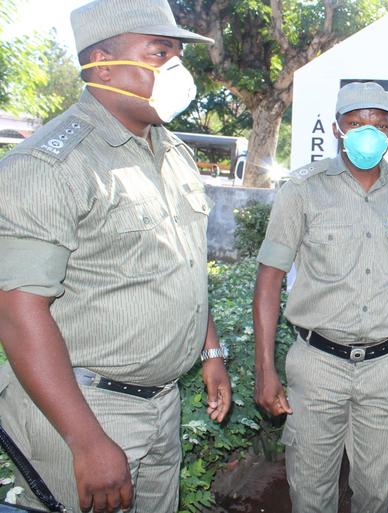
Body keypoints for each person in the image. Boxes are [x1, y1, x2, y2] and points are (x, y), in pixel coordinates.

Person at [0, 1, 232, 511]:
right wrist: (86, 441)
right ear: (101, 63)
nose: (176, 68)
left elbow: (184, 265)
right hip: (89, 409)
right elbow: (18, 313)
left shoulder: (173, 152)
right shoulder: (51, 164)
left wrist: (210, 351)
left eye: (177, 54)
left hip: (161, 404)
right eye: (160, 52)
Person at [252, 82, 388, 513]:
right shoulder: (303, 189)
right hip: (318, 365)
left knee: (379, 489)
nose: (367, 133)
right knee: (311, 493)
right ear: (337, 129)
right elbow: (269, 276)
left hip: (385, 366)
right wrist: (265, 367)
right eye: (355, 124)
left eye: (378, 125)